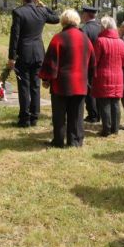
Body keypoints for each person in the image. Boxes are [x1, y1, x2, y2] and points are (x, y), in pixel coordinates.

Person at [38, 9, 95, 148]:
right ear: (77, 21)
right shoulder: (85, 38)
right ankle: (75, 141)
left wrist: (46, 79)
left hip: (61, 83)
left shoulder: (59, 38)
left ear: (63, 21)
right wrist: (90, 80)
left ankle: (58, 141)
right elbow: (92, 61)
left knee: (59, 115)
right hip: (80, 83)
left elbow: (51, 61)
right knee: (77, 114)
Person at [8, 0, 59, 127]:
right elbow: (56, 18)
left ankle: (25, 119)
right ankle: (34, 116)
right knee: (35, 86)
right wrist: (45, 6)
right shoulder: (41, 11)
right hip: (38, 53)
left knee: (24, 86)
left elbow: (15, 36)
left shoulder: (18, 12)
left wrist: (11, 57)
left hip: (24, 53)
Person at [91, 16, 124, 136]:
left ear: (104, 27)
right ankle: (115, 129)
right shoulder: (121, 42)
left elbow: (94, 60)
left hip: (103, 76)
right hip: (118, 75)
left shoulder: (100, 41)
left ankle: (106, 129)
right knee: (116, 103)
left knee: (104, 103)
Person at [81, 5, 102, 123]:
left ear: (86, 15)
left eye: (83, 14)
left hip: (88, 64)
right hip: (100, 63)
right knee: (98, 89)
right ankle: (98, 113)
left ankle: (93, 115)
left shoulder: (84, 29)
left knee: (89, 89)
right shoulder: (100, 28)